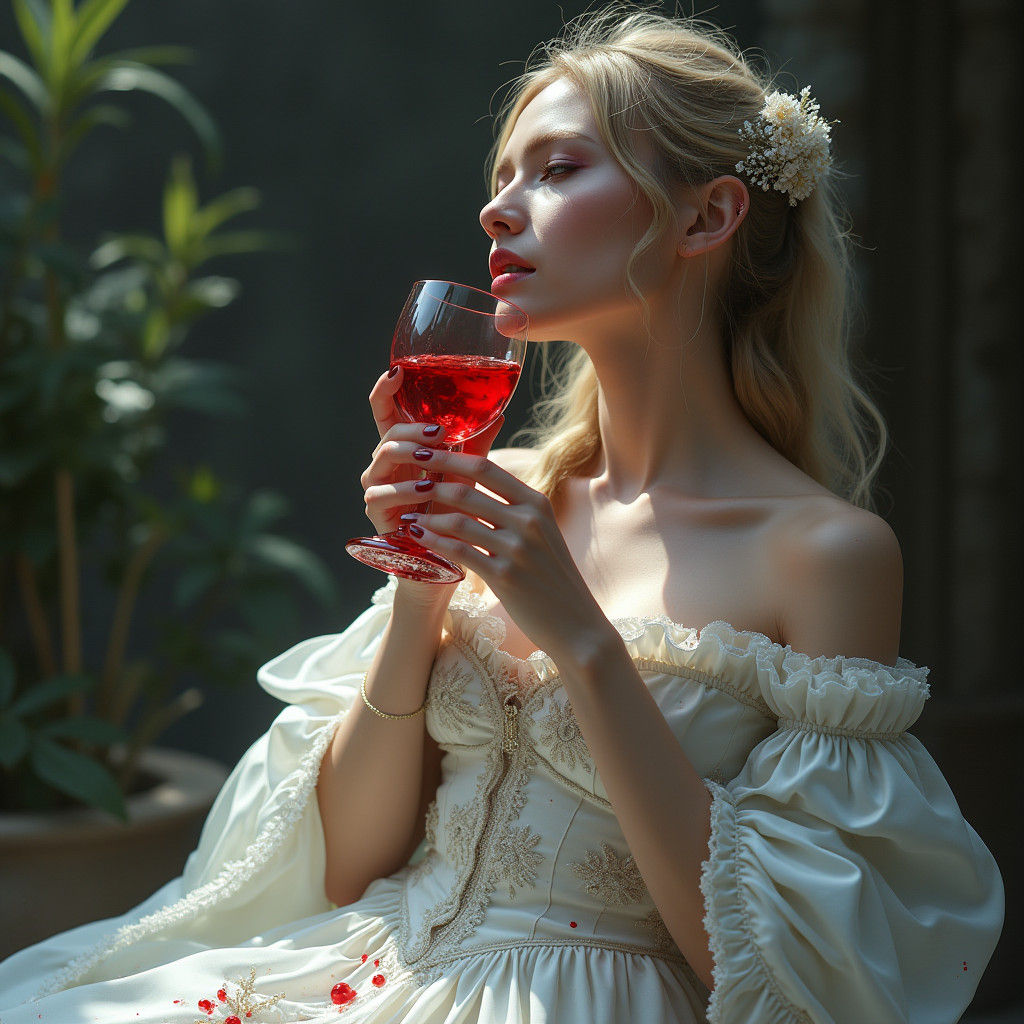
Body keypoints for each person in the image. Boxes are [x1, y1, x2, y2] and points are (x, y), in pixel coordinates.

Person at [0, 6, 1004, 1023]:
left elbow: (781, 969)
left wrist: (586, 643)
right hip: (370, 967)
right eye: (502, 177)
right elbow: (349, 865)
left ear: (707, 218)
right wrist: (419, 587)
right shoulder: (505, 489)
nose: (497, 210)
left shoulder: (826, 553)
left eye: (557, 170)